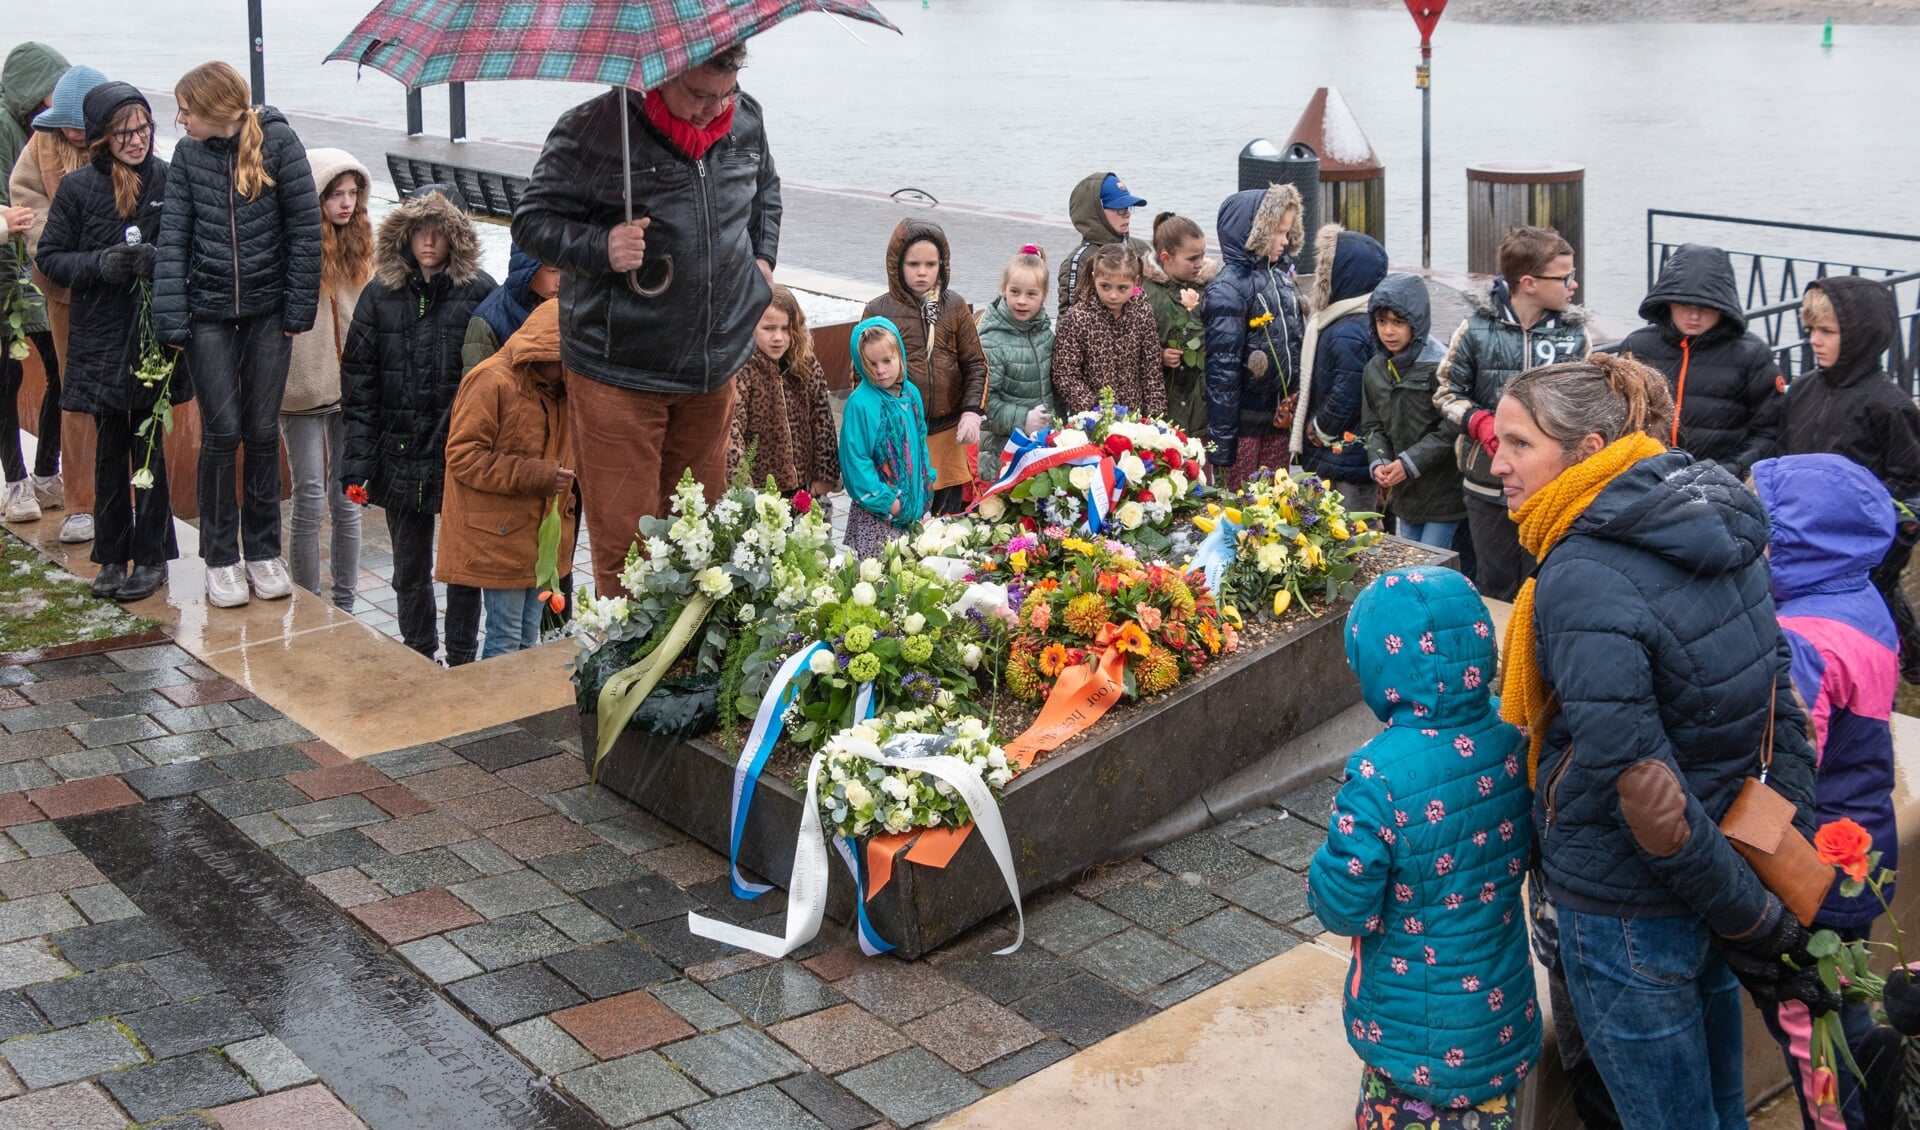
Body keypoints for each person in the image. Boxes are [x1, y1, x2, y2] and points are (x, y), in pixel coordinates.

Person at [1492, 354, 1826, 1130]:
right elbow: (1781, 706)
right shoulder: (1712, 517)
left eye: (1516, 443)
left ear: (1588, 449)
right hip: (1708, 887)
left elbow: (1640, 788)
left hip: (1624, 910)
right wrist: (1753, 902)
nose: (1495, 462)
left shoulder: (1580, 571)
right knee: (1717, 1112)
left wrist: (1754, 924)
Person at [511, 44, 780, 600]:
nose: (711, 109)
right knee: (628, 551)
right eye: (697, 94)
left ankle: (689, 674)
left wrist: (762, 264)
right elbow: (531, 222)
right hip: (619, 371)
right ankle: (629, 676)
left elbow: (765, 197)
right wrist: (600, 245)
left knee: (700, 540)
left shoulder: (746, 117)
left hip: (711, 367)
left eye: (722, 93)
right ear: (662, 72)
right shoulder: (594, 127)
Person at [1309, 565, 1538, 1130]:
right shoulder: (1512, 745)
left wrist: (1323, 865)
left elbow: (1345, 905)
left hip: (1411, 1033)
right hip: (1501, 1015)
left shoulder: (1376, 777)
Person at [1752, 453, 1900, 1130]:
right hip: (1862, 854)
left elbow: (1783, 773)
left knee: (1818, 1044)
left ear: (1793, 540)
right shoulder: (1861, 599)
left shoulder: (1800, 639)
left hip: (1810, 874)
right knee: (1850, 1008)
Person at [154, 60, 321, 608]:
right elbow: (173, 237)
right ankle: (221, 558)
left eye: (187, 110)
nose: (179, 121)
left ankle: (263, 552)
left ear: (215, 110)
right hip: (207, 316)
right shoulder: (186, 156)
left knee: (261, 429)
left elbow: (304, 231)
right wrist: (172, 318)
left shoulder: (278, 144)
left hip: (269, 313)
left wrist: (297, 308)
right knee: (222, 434)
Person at [33, 81, 184, 603]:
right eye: (124, 133)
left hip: (151, 341)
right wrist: (100, 264)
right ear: (102, 138)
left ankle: (151, 557)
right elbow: (50, 258)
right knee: (110, 452)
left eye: (142, 129)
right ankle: (111, 556)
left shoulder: (167, 179)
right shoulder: (77, 190)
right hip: (100, 338)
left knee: (150, 450)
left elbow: (191, 251)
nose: (136, 140)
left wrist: (158, 258)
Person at [341, 185, 494, 664]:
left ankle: (464, 653)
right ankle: (418, 650)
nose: (428, 241)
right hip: (399, 451)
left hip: (459, 453)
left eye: (439, 231)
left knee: (464, 564)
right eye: (419, 231)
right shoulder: (378, 294)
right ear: (404, 234)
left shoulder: (481, 292)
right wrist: (358, 464)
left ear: (456, 237)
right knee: (408, 566)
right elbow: (359, 388)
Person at [1432, 225, 1590, 602]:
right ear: (1529, 282)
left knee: (1547, 584)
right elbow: (1444, 392)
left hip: (1552, 487)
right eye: (1565, 276)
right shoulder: (1474, 330)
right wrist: (1480, 422)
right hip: (1488, 485)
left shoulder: (1574, 336)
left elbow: (1584, 406)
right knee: (1496, 584)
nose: (1573, 285)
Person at [1780, 277, 1920, 683]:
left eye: (1827, 332)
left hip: (1861, 548)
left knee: (1867, 637)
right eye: (1810, 331)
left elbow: (1908, 487)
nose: (1814, 341)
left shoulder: (1890, 405)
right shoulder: (1802, 391)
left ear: (1859, 336)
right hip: (1803, 539)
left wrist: (1877, 549)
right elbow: (1784, 457)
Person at [437, 300, 577, 659]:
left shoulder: (561, 390)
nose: (568, 369)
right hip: (498, 536)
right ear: (542, 349)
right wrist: (537, 475)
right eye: (562, 358)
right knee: (506, 637)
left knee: (527, 638)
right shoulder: (491, 380)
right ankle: (497, 715)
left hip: (536, 536)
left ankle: (516, 714)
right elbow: (462, 456)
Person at [8, 59, 102, 542]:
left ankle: (123, 497)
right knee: (75, 391)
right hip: (64, 289)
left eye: (83, 126)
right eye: (67, 125)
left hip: (121, 291)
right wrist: (66, 253)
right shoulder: (41, 144)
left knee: (129, 393)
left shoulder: (122, 141)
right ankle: (80, 503)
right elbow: (26, 200)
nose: (75, 134)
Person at [281, 148, 371, 613]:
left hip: (349, 391)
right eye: (335, 194)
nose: (345, 203)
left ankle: (346, 603)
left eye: (353, 193)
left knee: (349, 498)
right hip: (301, 389)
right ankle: (308, 602)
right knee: (309, 495)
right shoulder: (294, 248)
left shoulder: (361, 248)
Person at [1618, 243, 1783, 478]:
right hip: (1647, 477)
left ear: (1721, 307)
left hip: (1720, 483)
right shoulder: (1638, 346)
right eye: (1685, 305)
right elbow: (1618, 416)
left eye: (1705, 307)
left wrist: (1732, 469)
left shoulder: (1752, 355)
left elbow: (1769, 431)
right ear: (1668, 302)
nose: (1694, 316)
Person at [862, 218, 988, 515]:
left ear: (942, 265)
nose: (922, 272)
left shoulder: (954, 306)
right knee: (907, 515)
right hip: (900, 434)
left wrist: (972, 411)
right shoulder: (878, 310)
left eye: (931, 264)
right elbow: (862, 375)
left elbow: (975, 363)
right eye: (913, 263)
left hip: (948, 434)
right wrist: (876, 429)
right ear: (897, 264)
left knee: (948, 519)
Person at [1203, 183, 1307, 489]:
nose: (1284, 241)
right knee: (1243, 500)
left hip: (1277, 416)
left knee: (1275, 499)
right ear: (1253, 230)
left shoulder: (1280, 278)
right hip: (1245, 424)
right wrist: (1221, 443)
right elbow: (1222, 370)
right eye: (1278, 233)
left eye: (1288, 233)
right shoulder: (1230, 288)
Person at [0, 44, 63, 528]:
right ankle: (18, 480)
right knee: (7, 377)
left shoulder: (44, 131)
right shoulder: (6, 126)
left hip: (36, 265)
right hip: (8, 267)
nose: (55, 97)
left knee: (61, 368)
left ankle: (43, 473)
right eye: (50, 87)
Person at [1359, 275, 1463, 548]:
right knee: (1409, 561)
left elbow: (1451, 427)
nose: (1389, 332)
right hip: (1404, 494)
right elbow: (1372, 426)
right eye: (1381, 322)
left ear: (1416, 323)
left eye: (1398, 322)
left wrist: (1409, 462)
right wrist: (1379, 460)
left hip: (1443, 494)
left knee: (1431, 562)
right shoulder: (1374, 369)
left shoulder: (1440, 367)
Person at [1293, 224, 1388, 510]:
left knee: (1350, 527)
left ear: (1343, 275)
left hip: (1345, 452)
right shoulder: (1350, 320)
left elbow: (1347, 392)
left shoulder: (1348, 329)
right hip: (1346, 453)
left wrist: (1319, 427)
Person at [723, 284, 837, 499]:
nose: (778, 337)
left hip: (804, 484)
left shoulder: (805, 363)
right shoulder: (742, 370)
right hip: (760, 488)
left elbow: (822, 420)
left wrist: (825, 473)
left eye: (785, 328)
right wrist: (741, 486)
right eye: (768, 328)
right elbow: (732, 432)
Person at [840, 317, 932, 558]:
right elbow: (856, 459)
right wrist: (886, 501)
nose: (880, 371)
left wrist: (926, 479)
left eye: (887, 361)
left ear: (900, 355)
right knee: (879, 582)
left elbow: (921, 438)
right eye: (871, 364)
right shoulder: (860, 404)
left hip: (913, 509)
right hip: (879, 516)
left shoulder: (911, 394)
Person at [1051, 244, 1165, 417]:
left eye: (1122, 288)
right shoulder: (1078, 317)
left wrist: (1155, 417)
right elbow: (1065, 373)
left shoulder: (1142, 311)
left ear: (1135, 282)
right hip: (1091, 420)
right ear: (1094, 277)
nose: (1113, 295)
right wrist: (1095, 409)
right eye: (1105, 286)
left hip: (1134, 417)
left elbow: (1151, 366)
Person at [976, 245, 1056, 480]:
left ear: (1044, 294)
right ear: (1003, 289)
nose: (1022, 301)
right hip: (1002, 453)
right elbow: (984, 403)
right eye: (1015, 292)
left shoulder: (1045, 334)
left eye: (1031, 294)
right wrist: (1023, 419)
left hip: (1040, 448)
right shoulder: (991, 341)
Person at [1140, 213, 1218, 438]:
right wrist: (1160, 355)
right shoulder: (1146, 291)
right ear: (1166, 257)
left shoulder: (1209, 288)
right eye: (1192, 258)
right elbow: (1133, 342)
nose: (1200, 263)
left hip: (1199, 400)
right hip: (1163, 398)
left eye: (1202, 255)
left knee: (1201, 464)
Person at [1057, 171, 1151, 316]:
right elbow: (1067, 321)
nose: (1127, 214)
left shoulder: (1141, 249)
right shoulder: (1079, 261)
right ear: (1097, 213)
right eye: (1120, 209)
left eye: (1128, 208)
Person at [462, 245, 560, 374]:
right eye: (552, 271)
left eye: (567, 271)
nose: (560, 281)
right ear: (527, 269)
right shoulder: (489, 318)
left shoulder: (573, 307)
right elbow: (477, 389)